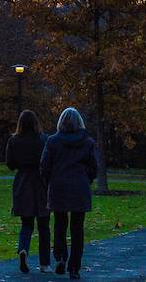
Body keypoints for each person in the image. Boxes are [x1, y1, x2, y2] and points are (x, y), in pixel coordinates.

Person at [40, 107, 99, 279]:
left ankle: (60, 257)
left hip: (59, 186)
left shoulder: (52, 141)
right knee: (77, 228)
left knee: (59, 224)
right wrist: (86, 179)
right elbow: (94, 167)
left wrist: (50, 180)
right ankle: (74, 266)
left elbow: (44, 166)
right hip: (79, 187)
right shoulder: (87, 142)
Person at [6, 109, 50, 274]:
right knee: (44, 225)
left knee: (26, 224)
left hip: (23, 182)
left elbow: (10, 164)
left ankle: (23, 249)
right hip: (40, 183)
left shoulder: (13, 141)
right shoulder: (43, 140)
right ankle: (45, 263)